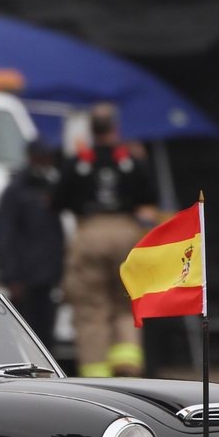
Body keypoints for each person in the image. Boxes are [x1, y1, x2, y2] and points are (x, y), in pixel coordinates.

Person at [53, 103, 159, 377]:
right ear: (115, 127)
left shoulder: (78, 161)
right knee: (127, 302)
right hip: (127, 233)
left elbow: (56, 201)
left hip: (89, 232)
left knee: (91, 309)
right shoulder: (132, 159)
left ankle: (96, 373)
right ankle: (128, 365)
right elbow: (149, 202)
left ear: (90, 129)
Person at [0, 139, 65, 348]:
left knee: (46, 333)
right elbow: (5, 235)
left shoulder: (50, 187)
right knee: (25, 334)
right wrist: (12, 277)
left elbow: (56, 234)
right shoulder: (16, 191)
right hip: (25, 279)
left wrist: (58, 272)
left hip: (47, 277)